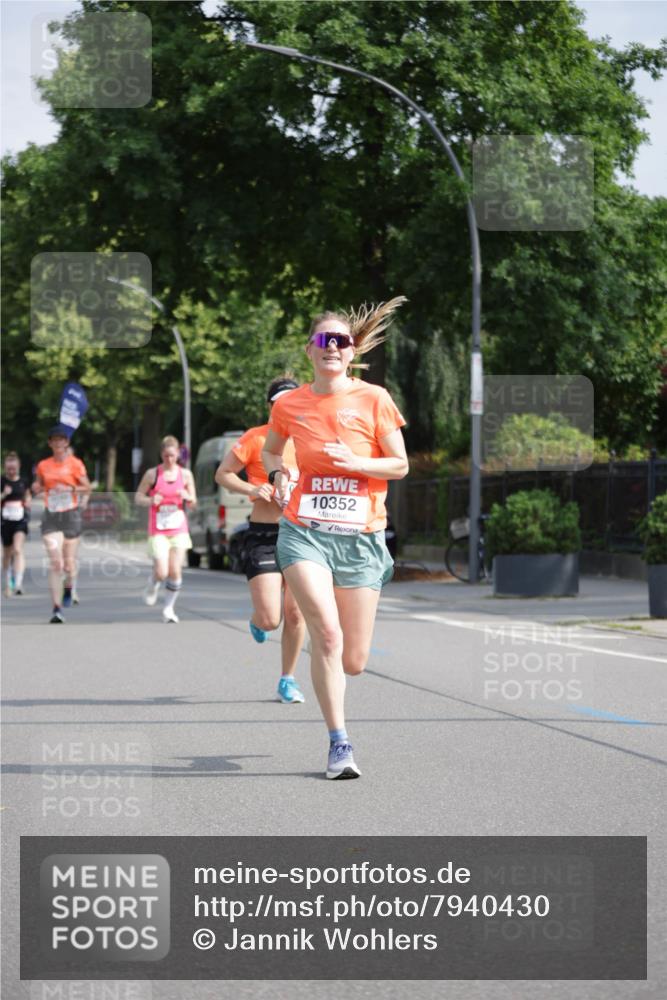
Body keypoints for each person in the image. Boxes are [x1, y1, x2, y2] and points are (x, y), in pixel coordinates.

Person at [262, 298, 409, 779]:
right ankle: (339, 744)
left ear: (351, 352)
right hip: (304, 532)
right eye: (323, 339)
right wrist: (280, 475)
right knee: (324, 632)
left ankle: (342, 675)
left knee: (354, 660)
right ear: (310, 350)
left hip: (362, 538)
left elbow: (400, 465)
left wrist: (358, 464)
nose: (332, 347)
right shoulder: (289, 404)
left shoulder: (374, 399)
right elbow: (270, 452)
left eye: (340, 340)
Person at [216, 377, 307, 704]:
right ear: (271, 407)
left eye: (291, 401)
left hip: (301, 536)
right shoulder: (256, 438)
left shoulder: (309, 439)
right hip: (264, 535)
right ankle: (258, 620)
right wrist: (252, 489)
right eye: (278, 403)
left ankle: (288, 679)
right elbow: (223, 474)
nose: (284, 408)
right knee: (271, 617)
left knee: (295, 614)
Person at [135, 435, 197, 623]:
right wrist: (150, 500)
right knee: (162, 572)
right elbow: (138, 497)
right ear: (161, 455)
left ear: (178, 454)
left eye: (172, 455)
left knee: (175, 570)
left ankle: (169, 609)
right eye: (165, 456)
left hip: (179, 528)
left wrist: (188, 497)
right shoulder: (152, 474)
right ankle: (153, 583)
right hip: (158, 529)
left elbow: (194, 503)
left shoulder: (186, 475)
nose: (169, 459)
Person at [32, 429, 91, 623]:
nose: (58, 443)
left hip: (70, 514)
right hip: (52, 515)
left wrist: (70, 488)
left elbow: (87, 487)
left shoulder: (75, 464)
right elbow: (39, 485)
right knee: (56, 562)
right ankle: (56, 609)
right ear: (50, 444)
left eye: (61, 440)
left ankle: (69, 587)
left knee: (69, 564)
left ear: (66, 443)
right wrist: (37, 488)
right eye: (54, 440)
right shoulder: (43, 465)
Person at [2, 451, 31, 597]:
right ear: (5, 467)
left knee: (18, 550)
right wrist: (4, 494)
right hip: (5, 520)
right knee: (7, 553)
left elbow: (27, 495)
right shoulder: (1, 481)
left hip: (20, 519)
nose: (11, 471)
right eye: (9, 469)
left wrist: (28, 502)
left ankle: (18, 583)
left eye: (14, 468)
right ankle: (8, 582)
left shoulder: (23, 481)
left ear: (18, 467)